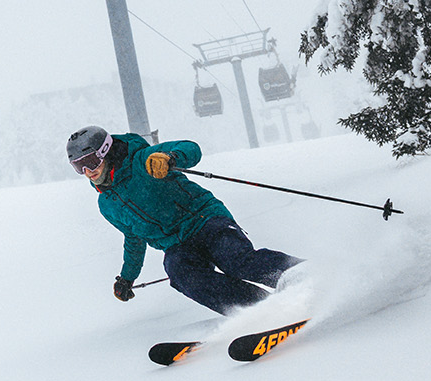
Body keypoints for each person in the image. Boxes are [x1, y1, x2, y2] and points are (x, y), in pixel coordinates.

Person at [65, 125, 302, 315]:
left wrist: (170, 157)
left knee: (235, 261)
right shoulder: (107, 204)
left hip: (204, 220)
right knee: (180, 273)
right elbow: (134, 238)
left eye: (92, 162)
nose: (88, 171)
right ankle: (257, 309)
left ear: (106, 152)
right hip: (177, 245)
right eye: (79, 166)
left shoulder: (142, 160)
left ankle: (303, 276)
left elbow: (191, 148)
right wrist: (127, 278)